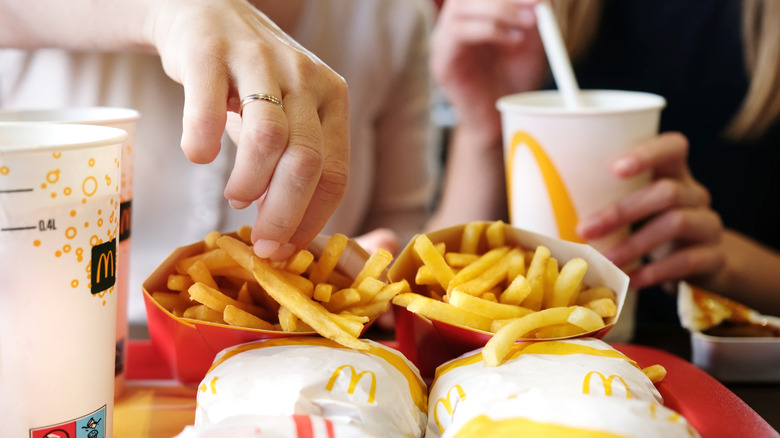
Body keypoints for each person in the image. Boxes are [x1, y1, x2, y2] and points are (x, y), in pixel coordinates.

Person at [0, 0, 437, 324]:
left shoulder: (393, 17)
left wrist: (363, 274)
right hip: (54, 355)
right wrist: (174, 12)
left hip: (301, 367)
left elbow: (401, 233)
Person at [427, 0, 780, 322]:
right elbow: (439, 286)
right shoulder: (532, 14)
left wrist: (726, 263)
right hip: (531, 360)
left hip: (734, 371)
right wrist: (482, 132)